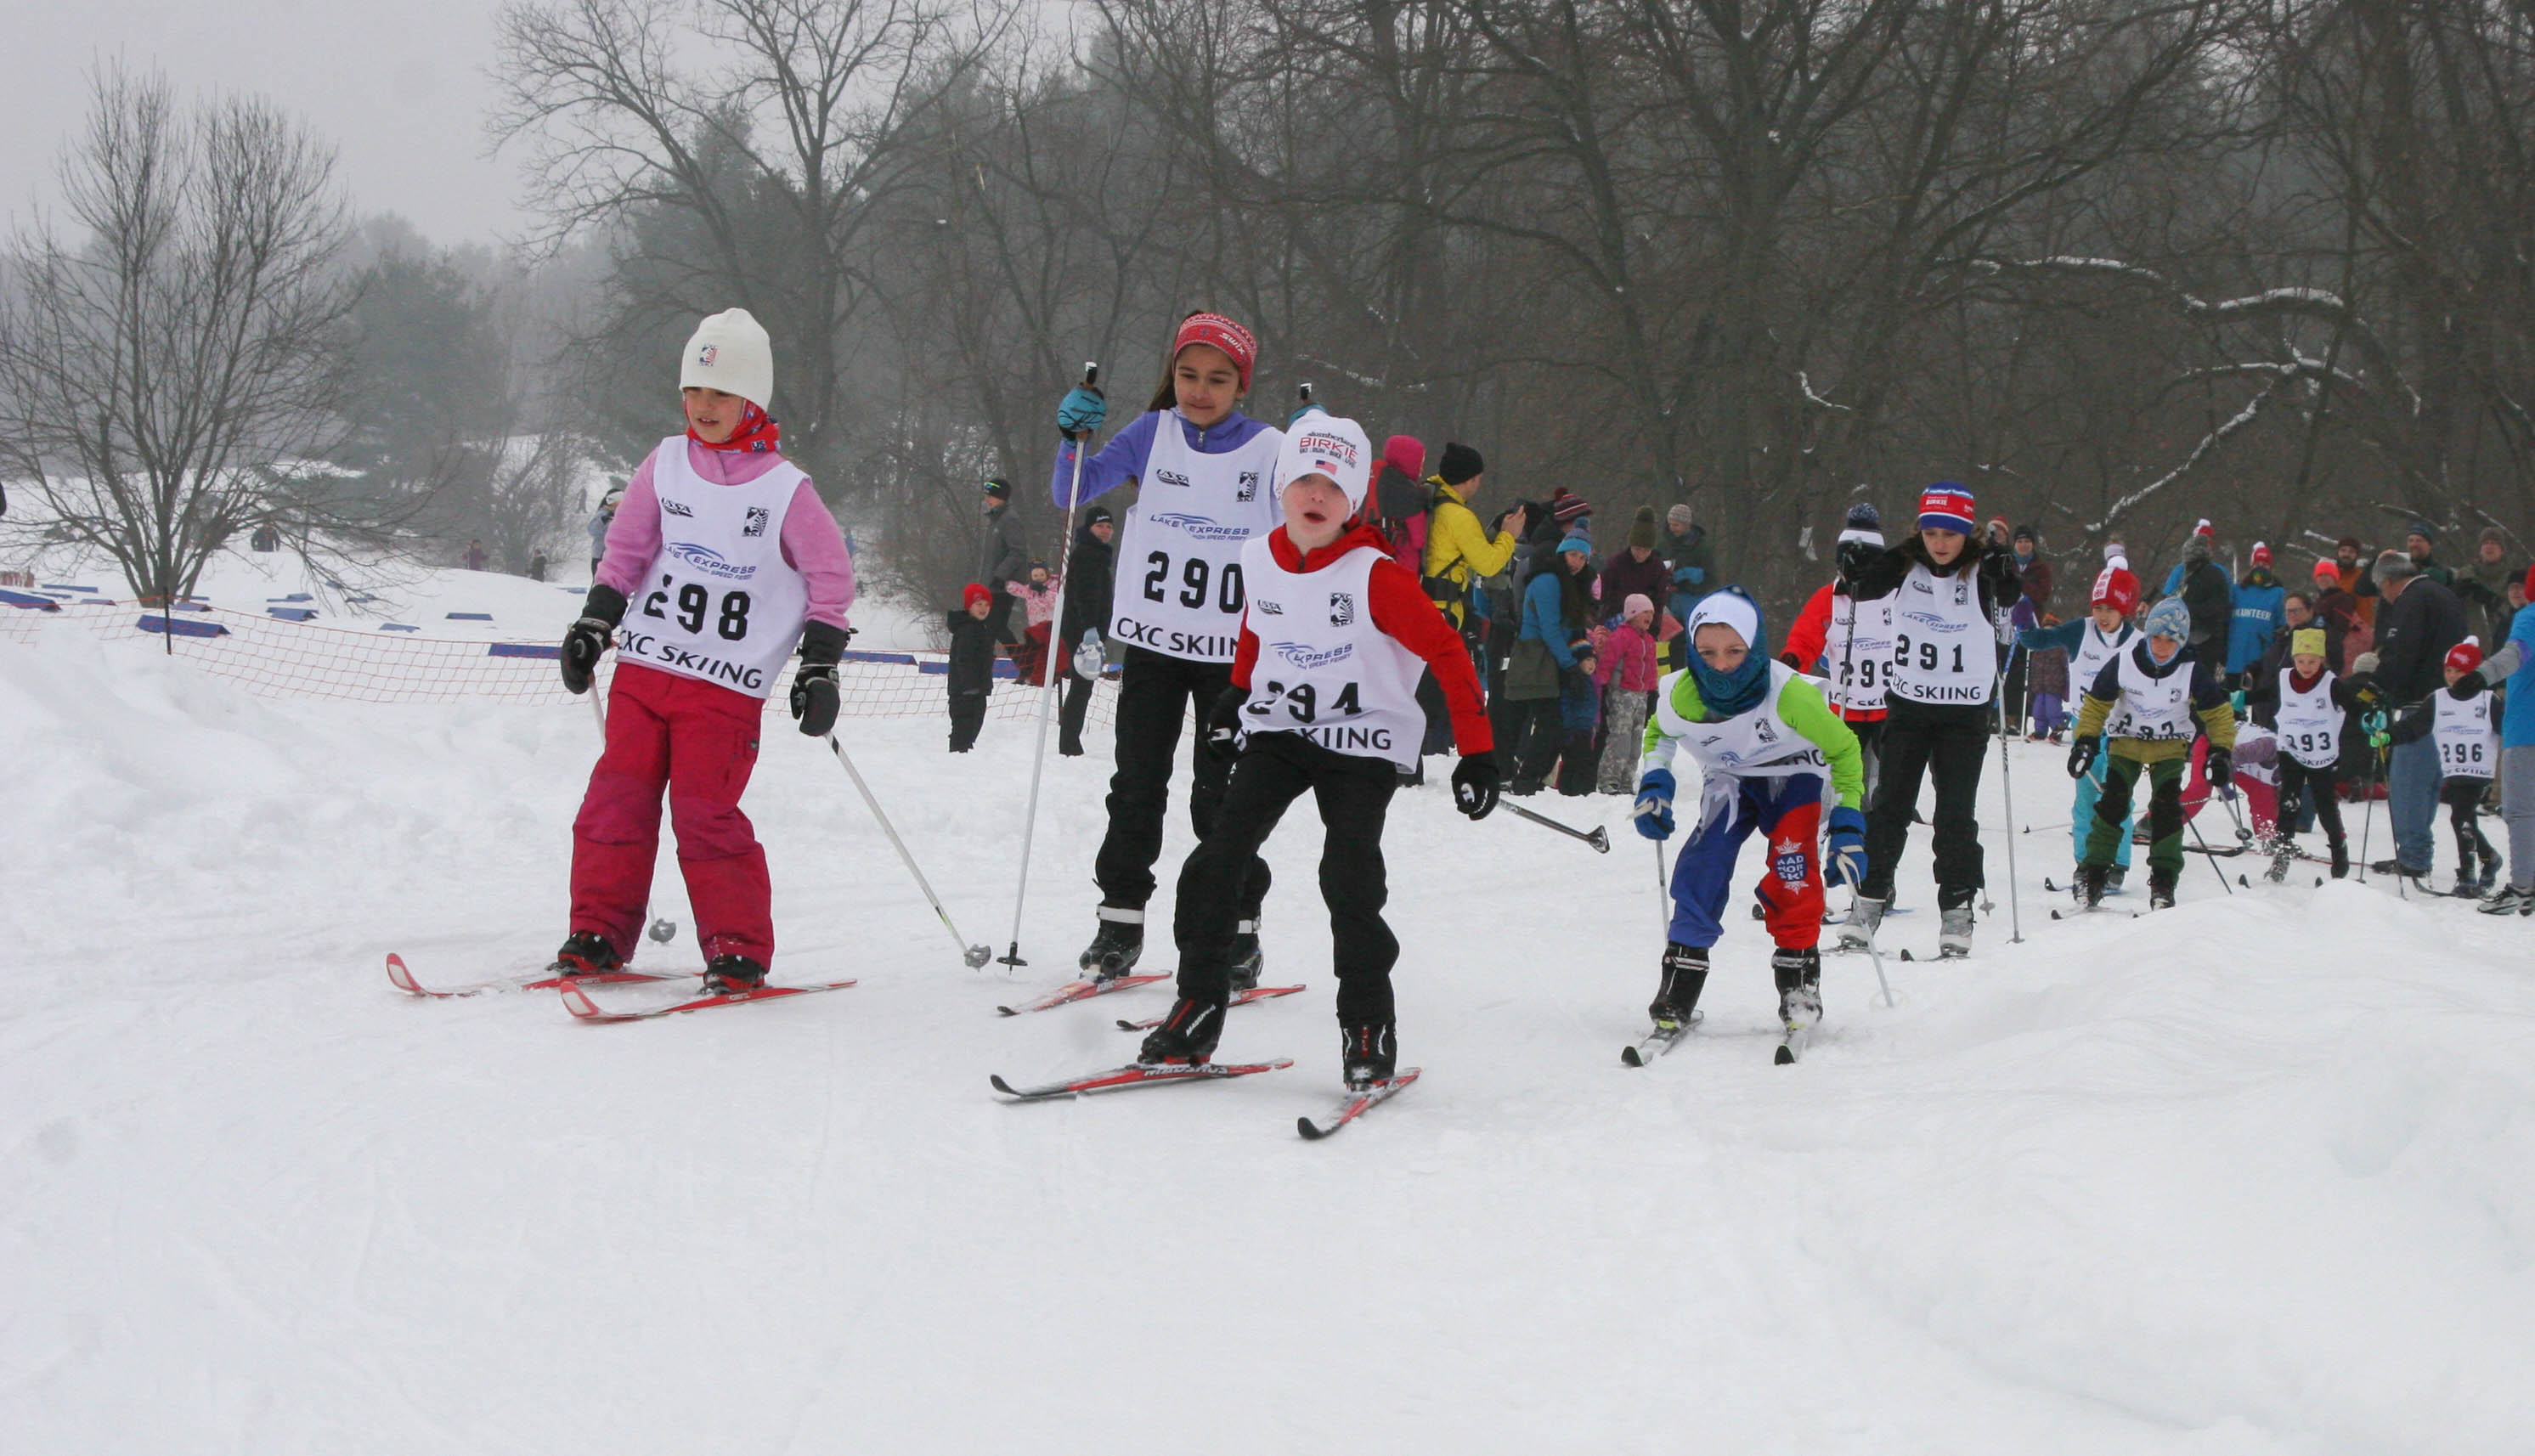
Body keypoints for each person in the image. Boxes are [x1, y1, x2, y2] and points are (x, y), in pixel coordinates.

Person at [1136, 415, 1498, 1088]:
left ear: (1356, 497)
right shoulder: (1259, 556)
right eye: (1304, 478)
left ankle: (1367, 1024)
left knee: (1349, 877)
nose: (1316, 495)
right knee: (1217, 860)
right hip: (1284, 735)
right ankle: (1198, 1006)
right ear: (1281, 485)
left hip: (1362, 742)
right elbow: (1259, 625)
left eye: (1334, 485)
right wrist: (1232, 700)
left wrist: (1477, 753)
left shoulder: (1377, 576)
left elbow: (1446, 650)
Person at [551, 307, 855, 991]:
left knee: (704, 812)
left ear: (752, 400)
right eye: (694, 389)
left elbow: (831, 577)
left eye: (722, 393)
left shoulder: (786, 490)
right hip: (646, 668)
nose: (704, 406)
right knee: (616, 798)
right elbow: (625, 552)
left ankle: (736, 948)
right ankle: (597, 931)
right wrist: (595, 623)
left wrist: (820, 663)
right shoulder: (664, 464)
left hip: (724, 686)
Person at [1047, 311, 1284, 984]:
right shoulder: (1152, 433)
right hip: (1153, 644)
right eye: (1187, 376)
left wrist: (1320, 451)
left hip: (1233, 657)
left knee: (1224, 798)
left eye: (1217, 379)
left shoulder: (1270, 448)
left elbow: (1320, 515)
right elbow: (1071, 493)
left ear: (1242, 385)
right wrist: (1071, 439)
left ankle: (1237, 927)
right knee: (1136, 785)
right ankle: (1119, 921)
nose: (1200, 391)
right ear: (1171, 376)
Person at [1631, 590, 1865, 1047]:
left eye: (1735, 651)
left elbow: (1845, 749)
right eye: (1708, 653)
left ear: (1755, 647)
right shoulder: (1682, 694)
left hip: (1793, 773)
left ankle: (1798, 986)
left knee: (1792, 866)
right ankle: (1678, 987)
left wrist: (1849, 820)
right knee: (1704, 862)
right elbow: (1660, 731)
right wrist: (1655, 782)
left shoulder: (1790, 694)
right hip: (1731, 776)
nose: (1721, 665)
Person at [1836, 483, 2021, 957]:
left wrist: (2006, 570)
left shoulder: (1982, 568)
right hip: (1909, 707)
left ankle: (1957, 907)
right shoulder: (1905, 561)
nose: (1940, 543)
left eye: (1951, 534)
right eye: (1933, 532)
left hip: (1964, 713)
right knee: (1890, 804)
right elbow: (1864, 585)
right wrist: (1853, 568)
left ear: (1968, 534)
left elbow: (2009, 593)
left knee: (1954, 814)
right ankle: (1870, 898)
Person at [2064, 596, 2239, 910]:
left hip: (2169, 748)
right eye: (2156, 638)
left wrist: (2221, 750)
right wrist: (2086, 741)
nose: (2161, 646)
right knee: (2112, 806)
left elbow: (2219, 714)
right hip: (2126, 743)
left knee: (2167, 811)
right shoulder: (2125, 661)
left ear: (2181, 641)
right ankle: (2093, 873)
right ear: (2147, 636)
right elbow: (2095, 705)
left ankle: (2164, 880)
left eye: (2171, 640)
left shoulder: (2191, 670)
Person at [2018, 562, 2143, 894]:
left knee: (2119, 797)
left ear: (2125, 609)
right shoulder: (2081, 630)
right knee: (2086, 798)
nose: (2103, 616)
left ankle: (2118, 861)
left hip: (2123, 730)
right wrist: (2022, 618)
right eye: (2098, 607)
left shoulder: (2138, 642)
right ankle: (2086, 862)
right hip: (2086, 726)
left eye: (2111, 609)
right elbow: (2038, 641)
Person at [2355, 550, 2468, 883]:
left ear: (2389, 581)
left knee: (2407, 784)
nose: (2384, 598)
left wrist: (2377, 689)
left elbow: (2401, 651)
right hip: (2450, 701)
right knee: (2430, 784)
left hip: (2421, 702)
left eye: (2382, 591)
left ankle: (2414, 857)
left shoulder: (2411, 599)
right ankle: (2417, 852)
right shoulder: (2443, 594)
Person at [1781, 504, 1894, 809]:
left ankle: (1889, 812)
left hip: (1890, 706)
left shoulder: (1895, 596)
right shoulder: (1829, 598)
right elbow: (1806, 637)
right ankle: (1844, 811)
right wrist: (1793, 659)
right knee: (1844, 769)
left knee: (1891, 774)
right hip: (1846, 704)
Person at [2390, 639, 2502, 895]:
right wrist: (2388, 735)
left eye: (2459, 671)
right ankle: (2489, 858)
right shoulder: (2437, 699)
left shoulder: (2488, 700)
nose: (2452, 677)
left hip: (2479, 772)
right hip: (2453, 770)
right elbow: (2415, 726)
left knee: (2460, 817)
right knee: (2464, 818)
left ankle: (2468, 875)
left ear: (2474, 672)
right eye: (2448, 671)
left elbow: (2507, 727)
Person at [2250, 626, 2360, 879]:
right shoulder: (2284, 678)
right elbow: (2264, 695)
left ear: (2321, 660)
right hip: (2291, 751)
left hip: (2323, 757)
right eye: (2301, 661)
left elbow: (2353, 706)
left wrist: (2369, 716)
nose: (2306, 666)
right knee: (2288, 803)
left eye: (2312, 661)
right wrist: (2239, 697)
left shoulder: (2331, 683)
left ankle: (2339, 856)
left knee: (2325, 807)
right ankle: (2282, 856)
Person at [1505, 534, 1600, 795]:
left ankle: (1529, 777)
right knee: (1549, 723)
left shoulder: (1568, 583)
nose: (1577, 562)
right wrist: (1571, 665)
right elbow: (1549, 629)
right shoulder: (1548, 581)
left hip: (1552, 657)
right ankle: (1525, 778)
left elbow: (1571, 628)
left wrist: (1584, 655)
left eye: (1582, 558)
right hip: (1537, 658)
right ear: (1561, 554)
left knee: (1551, 723)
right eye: (1573, 555)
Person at [2470, 564, 2535, 914]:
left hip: (2527, 729)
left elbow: (2515, 654)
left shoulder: (2529, 617)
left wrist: (2480, 675)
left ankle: (2523, 887)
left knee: (2520, 811)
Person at [1054, 505, 1115, 758]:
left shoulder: (1099, 553)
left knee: (1083, 685)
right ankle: (1069, 743)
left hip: (1091, 626)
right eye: (1100, 526)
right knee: (1082, 684)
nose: (1105, 531)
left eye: (1109, 527)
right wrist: (1090, 627)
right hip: (1082, 627)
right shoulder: (1087, 553)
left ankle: (1070, 740)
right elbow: (1085, 594)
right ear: (1089, 528)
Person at [1595, 593, 1662, 793]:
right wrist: (1603, 685)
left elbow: (1651, 667)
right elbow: (1608, 661)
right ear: (1632, 614)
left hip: (1641, 695)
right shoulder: (1622, 636)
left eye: (1651, 612)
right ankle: (1609, 778)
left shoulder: (1649, 640)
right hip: (1622, 693)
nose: (1649, 616)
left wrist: (1653, 689)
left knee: (1635, 741)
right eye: (1645, 612)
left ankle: (1627, 779)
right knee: (1620, 737)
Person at [2160, 519, 2232, 657]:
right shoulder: (2183, 570)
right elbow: (2169, 598)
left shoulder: (2215, 574)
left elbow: (2219, 606)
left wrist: (2188, 610)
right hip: (2187, 634)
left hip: (2202, 636)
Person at [1658, 502, 1714, 670]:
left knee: (1693, 640)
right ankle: (1673, 674)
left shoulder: (1702, 547)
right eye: (1670, 524)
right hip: (1669, 599)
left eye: (1676, 524)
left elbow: (1712, 577)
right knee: (1671, 640)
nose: (1672, 528)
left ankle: (1695, 672)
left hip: (1692, 599)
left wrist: (1692, 575)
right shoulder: (1664, 544)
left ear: (1687, 525)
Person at [977, 479, 1029, 650]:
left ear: (1002, 497)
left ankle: (1024, 664)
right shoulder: (996, 520)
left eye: (991, 496)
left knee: (995, 626)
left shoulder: (1009, 519)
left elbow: (1018, 551)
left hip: (1004, 584)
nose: (987, 500)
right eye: (987, 496)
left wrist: (1001, 575)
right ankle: (984, 669)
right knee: (990, 628)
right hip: (991, 584)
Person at [945, 584, 997, 752]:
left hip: (977, 689)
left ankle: (963, 752)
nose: (983, 609)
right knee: (964, 728)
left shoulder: (981, 628)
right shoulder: (968, 630)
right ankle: (958, 755)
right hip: (965, 691)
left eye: (986, 605)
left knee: (973, 726)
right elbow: (964, 659)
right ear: (969, 606)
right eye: (978, 604)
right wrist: (970, 687)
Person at [2227, 542, 2285, 690]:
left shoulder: (2277, 593)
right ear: (2252, 566)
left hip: (2261, 663)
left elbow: (2282, 626)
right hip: (2235, 660)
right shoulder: (2237, 591)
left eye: (2265, 565)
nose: (2260, 568)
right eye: (2257, 563)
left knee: (2259, 707)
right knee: (2234, 707)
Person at [2458, 527, 2518, 646]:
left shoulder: (2513, 578)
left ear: (2502, 550)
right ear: (2480, 549)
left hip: (2503, 642)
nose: (2489, 547)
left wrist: (2494, 601)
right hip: (2469, 642)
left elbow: (2519, 612)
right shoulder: (2465, 574)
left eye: (2494, 543)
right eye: (2486, 543)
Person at [1005, 559, 1062, 685]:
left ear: (1046, 574)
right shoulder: (1030, 589)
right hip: (1035, 627)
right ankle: (1026, 674)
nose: (1039, 578)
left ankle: (1050, 677)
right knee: (1031, 653)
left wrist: (1044, 591)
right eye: (1035, 576)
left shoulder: (1054, 587)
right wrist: (1005, 583)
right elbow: (1018, 589)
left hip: (1049, 627)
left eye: (1041, 575)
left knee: (1048, 655)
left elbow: (1057, 602)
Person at [2403, 522, 2455, 589]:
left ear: (2430, 545)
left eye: (2419, 541)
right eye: (2410, 540)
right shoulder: (2401, 569)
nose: (2414, 544)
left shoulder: (2443, 572)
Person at [588, 483, 623, 577]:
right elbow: (592, 530)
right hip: (600, 556)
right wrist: (603, 520)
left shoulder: (621, 516)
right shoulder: (603, 514)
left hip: (614, 556)